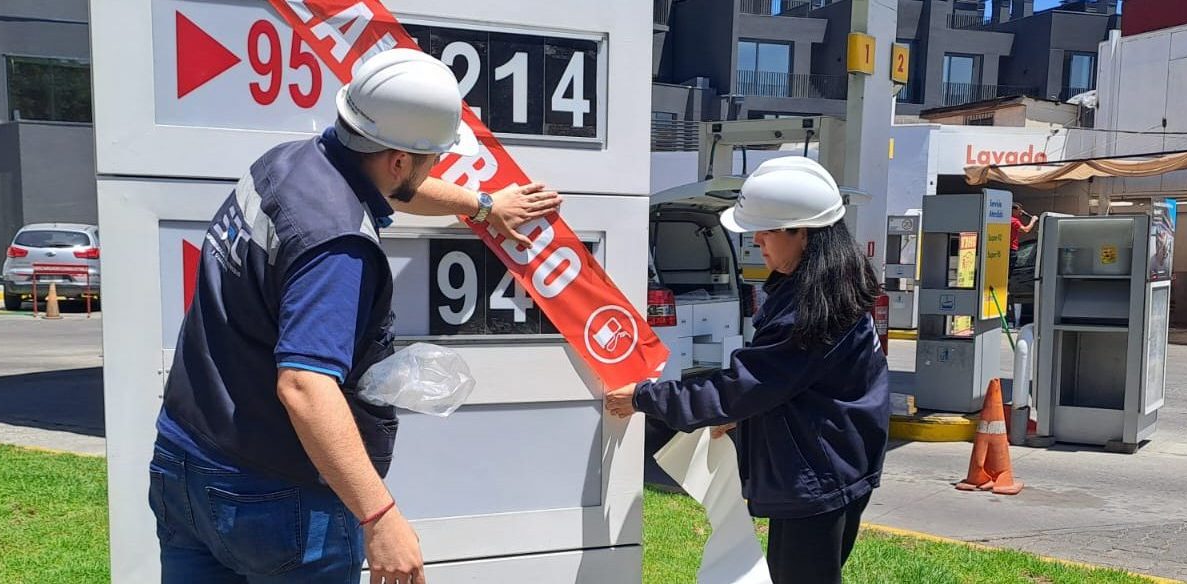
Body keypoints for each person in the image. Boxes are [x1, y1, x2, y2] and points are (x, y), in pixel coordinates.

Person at [147, 48, 561, 584]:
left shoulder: (287, 163)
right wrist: (380, 517)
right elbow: (303, 386)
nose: (433, 165)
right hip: (273, 495)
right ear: (397, 158)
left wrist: (482, 205)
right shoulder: (338, 247)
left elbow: (395, 184)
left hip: (184, 462)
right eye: (431, 156)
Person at [604, 156, 890, 584]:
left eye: (766, 230)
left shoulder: (811, 311)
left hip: (818, 476)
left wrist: (645, 397)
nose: (757, 240)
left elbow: (744, 385)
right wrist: (745, 413)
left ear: (803, 233)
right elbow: (791, 383)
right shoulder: (835, 287)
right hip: (838, 466)